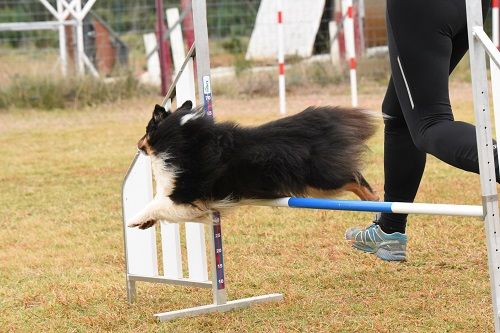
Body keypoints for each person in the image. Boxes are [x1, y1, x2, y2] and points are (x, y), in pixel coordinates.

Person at [345, 0, 494, 261]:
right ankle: (390, 229)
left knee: (430, 122)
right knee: (398, 112)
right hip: (472, 6)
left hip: (422, 8)